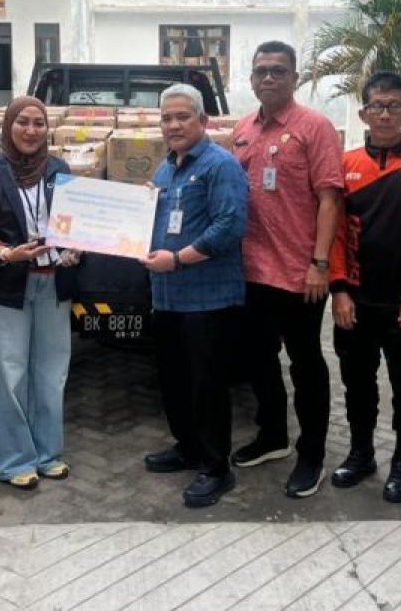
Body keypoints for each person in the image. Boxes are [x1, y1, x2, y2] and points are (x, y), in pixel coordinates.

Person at [328, 71, 401, 503]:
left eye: (393, 106)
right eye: (376, 106)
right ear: (363, 113)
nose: (384, 114)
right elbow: (334, 232)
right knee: (357, 383)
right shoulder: (345, 164)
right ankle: (361, 454)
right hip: (355, 300)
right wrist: (338, 289)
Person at [230, 41, 343, 499]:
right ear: (251, 79)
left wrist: (320, 263)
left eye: (279, 70)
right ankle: (273, 434)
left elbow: (330, 199)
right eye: (261, 71)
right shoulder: (243, 129)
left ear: (295, 78)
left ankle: (311, 453)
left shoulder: (315, 127)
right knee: (257, 358)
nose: (269, 78)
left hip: (300, 274)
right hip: (251, 270)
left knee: (306, 364)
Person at [141, 84, 249, 508]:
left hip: (208, 301)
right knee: (174, 381)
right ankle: (187, 447)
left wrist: (177, 259)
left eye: (182, 116)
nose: (173, 125)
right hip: (167, 298)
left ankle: (216, 468)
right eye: (166, 118)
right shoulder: (165, 170)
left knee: (208, 386)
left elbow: (229, 227)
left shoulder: (221, 166)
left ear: (203, 120)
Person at [0, 97, 79, 490]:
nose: (30, 131)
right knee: (9, 374)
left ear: (47, 129)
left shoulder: (59, 170)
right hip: (9, 285)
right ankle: (15, 461)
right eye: (22, 122)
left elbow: (76, 223)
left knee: (51, 372)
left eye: (38, 123)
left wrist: (76, 248)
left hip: (54, 284)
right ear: (9, 127)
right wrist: (5, 253)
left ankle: (48, 454)